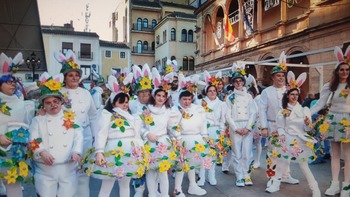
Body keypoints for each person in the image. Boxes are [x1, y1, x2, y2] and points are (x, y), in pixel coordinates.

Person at [79, 75, 147, 197]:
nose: (125, 105)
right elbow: (101, 133)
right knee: (107, 185)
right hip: (112, 152)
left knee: (125, 184)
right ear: (113, 102)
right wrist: (99, 151)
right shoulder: (107, 115)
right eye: (121, 102)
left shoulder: (132, 116)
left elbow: (137, 131)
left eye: (126, 102)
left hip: (129, 153)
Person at [265, 71, 321, 197]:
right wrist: (282, 135)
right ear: (288, 96)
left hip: (299, 140)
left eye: (296, 94)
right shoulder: (283, 111)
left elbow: (307, 129)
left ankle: (315, 188)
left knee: (304, 165)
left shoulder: (304, 110)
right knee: (281, 163)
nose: (294, 96)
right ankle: (275, 184)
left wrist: (307, 123)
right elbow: (280, 126)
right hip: (287, 139)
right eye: (292, 94)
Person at [29, 72, 83, 197]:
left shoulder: (71, 119)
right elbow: (33, 138)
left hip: (67, 167)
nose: (53, 105)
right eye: (48, 103)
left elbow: (78, 136)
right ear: (43, 105)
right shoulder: (38, 120)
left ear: (61, 102)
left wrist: (76, 151)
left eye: (55, 101)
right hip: (45, 168)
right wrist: (42, 151)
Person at [54, 50, 97, 197]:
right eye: (71, 75)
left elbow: (93, 116)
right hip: (64, 137)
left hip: (85, 136)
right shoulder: (58, 92)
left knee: (84, 173)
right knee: (65, 174)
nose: (74, 78)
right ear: (64, 77)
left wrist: (95, 137)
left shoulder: (85, 93)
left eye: (77, 75)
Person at [310, 46, 350, 197]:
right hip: (332, 119)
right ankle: (334, 185)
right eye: (342, 70)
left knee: (347, 156)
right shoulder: (329, 86)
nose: (345, 72)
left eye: (347, 69)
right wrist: (305, 113)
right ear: (336, 71)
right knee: (334, 154)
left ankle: (346, 186)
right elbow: (320, 104)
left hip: (347, 120)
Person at [259, 52, 299, 186]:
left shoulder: (288, 91)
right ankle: (272, 177)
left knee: (286, 151)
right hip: (272, 126)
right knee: (273, 153)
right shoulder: (266, 92)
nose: (281, 78)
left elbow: (295, 107)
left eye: (283, 76)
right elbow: (262, 110)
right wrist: (264, 127)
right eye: (278, 76)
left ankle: (286, 175)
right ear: (273, 77)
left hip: (287, 127)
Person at [0, 52, 35, 197]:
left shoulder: (23, 103)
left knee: (13, 184)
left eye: (14, 82)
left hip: (14, 151)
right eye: (8, 82)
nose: (12, 85)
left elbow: (29, 124)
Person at [142, 68, 180, 197]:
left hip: (163, 143)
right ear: (154, 95)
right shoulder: (146, 109)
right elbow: (139, 127)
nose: (161, 98)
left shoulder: (169, 111)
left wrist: (177, 139)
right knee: (150, 173)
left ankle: (164, 195)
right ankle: (152, 194)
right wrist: (147, 134)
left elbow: (172, 127)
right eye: (158, 95)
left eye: (163, 96)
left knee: (163, 172)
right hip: (148, 144)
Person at [173, 74, 213, 197]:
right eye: (184, 99)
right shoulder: (175, 110)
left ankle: (192, 186)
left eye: (189, 99)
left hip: (196, 139)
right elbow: (173, 126)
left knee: (193, 164)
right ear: (179, 99)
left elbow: (203, 123)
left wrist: (205, 136)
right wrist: (177, 139)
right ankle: (177, 189)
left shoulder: (198, 109)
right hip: (182, 140)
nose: (186, 102)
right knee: (181, 165)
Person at [225, 64, 257, 187]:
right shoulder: (230, 97)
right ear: (233, 83)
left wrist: (248, 127)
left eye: (240, 81)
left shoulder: (249, 97)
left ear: (243, 82)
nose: (238, 83)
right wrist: (235, 128)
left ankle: (246, 174)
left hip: (247, 126)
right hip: (236, 126)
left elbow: (253, 112)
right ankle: (239, 175)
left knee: (247, 152)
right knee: (236, 152)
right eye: (236, 81)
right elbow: (228, 115)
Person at [197, 71, 227, 186]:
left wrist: (222, 132)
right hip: (204, 131)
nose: (212, 93)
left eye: (214, 91)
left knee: (213, 154)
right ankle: (202, 176)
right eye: (210, 91)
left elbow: (222, 120)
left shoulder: (221, 104)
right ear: (206, 92)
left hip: (215, 131)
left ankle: (212, 175)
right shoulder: (201, 103)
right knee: (203, 154)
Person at [129, 64, 153, 197]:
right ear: (137, 93)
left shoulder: (154, 104)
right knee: (138, 165)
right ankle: (139, 189)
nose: (145, 95)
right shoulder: (131, 103)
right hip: (137, 138)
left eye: (147, 92)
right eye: (142, 92)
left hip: (151, 138)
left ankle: (153, 189)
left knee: (152, 165)